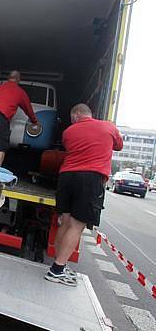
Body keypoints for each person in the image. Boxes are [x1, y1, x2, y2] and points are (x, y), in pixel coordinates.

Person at [45, 103, 123, 286]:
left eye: (73, 118)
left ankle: (59, 265)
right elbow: (119, 146)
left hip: (66, 177)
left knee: (65, 221)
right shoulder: (108, 127)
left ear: (78, 114)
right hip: (90, 178)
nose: (72, 121)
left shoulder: (68, 133)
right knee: (76, 226)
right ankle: (57, 270)